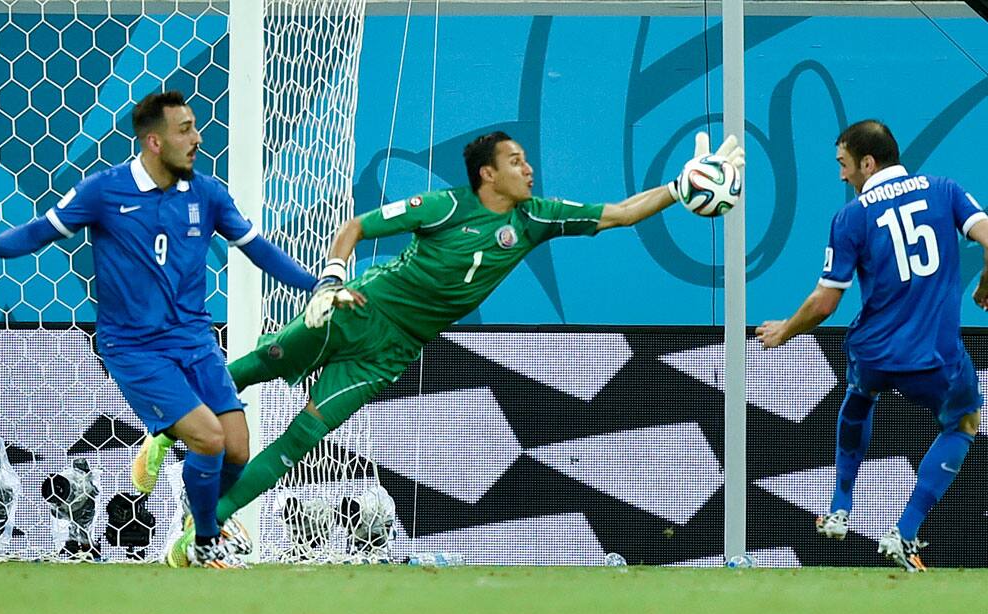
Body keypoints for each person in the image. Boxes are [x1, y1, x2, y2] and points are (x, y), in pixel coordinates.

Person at [158, 129, 745, 566]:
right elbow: (355, 228)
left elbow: (618, 214)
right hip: (360, 309)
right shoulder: (443, 207)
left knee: (301, 439)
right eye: (516, 161)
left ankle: (204, 531)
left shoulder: (537, 218)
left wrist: (677, 186)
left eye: (526, 160)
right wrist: (332, 280)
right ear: (487, 174)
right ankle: (162, 433)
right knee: (258, 364)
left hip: (391, 352)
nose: (529, 169)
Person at [0, 90, 325, 568]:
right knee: (208, 438)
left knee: (238, 449)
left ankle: (187, 491)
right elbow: (33, 234)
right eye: (184, 129)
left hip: (194, 339)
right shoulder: (103, 191)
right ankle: (204, 542)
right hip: (134, 347)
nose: (197, 138)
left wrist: (319, 285)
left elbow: (258, 248)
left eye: (195, 125)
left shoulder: (207, 193)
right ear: (153, 141)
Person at [755, 120, 988, 572]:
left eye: (843, 165)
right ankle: (904, 532)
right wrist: (986, 280)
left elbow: (825, 303)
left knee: (859, 397)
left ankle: (840, 507)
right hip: (932, 357)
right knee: (963, 422)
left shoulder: (851, 217)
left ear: (867, 162)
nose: (842, 176)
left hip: (873, 351)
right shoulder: (944, 190)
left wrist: (785, 329)